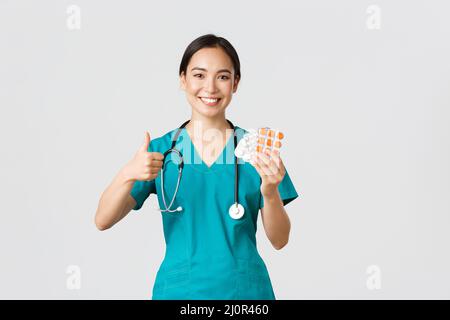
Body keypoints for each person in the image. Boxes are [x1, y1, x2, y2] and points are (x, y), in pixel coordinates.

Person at [94, 34, 299, 300]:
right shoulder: (161, 150)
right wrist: (127, 174)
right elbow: (102, 220)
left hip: (245, 294)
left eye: (223, 77)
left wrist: (270, 192)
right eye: (199, 75)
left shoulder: (257, 151)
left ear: (235, 83)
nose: (210, 87)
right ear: (183, 80)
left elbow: (280, 240)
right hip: (180, 293)